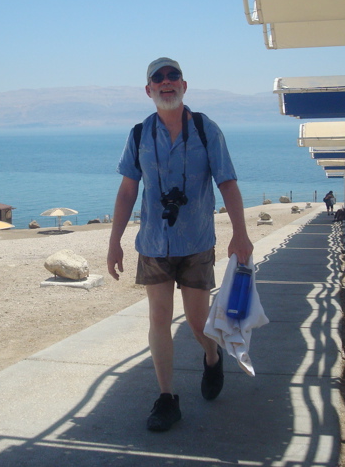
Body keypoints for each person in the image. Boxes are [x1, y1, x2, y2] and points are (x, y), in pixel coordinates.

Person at [107, 58, 253, 432]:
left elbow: (228, 183)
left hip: (196, 240)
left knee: (196, 321)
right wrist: (115, 242)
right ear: (149, 90)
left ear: (184, 85)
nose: (166, 83)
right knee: (158, 319)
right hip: (154, 242)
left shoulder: (206, 130)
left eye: (173, 77)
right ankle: (167, 398)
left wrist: (241, 233)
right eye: (158, 79)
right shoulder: (140, 134)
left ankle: (211, 355)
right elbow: (127, 190)